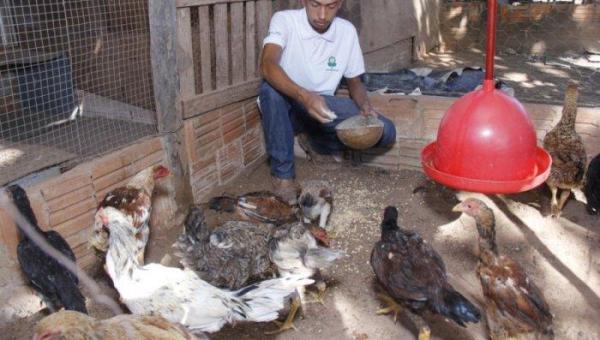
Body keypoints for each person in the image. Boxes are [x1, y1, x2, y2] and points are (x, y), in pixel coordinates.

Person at [259, 0, 396, 202]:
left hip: (322, 107)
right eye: (315, 4)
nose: (322, 14)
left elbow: (355, 82)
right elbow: (267, 65)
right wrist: (304, 96)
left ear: (339, 4)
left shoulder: (346, 31)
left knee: (386, 130)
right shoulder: (285, 20)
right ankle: (283, 175)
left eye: (330, 6)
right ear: (304, 1)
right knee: (270, 89)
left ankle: (317, 144)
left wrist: (365, 107)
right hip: (288, 105)